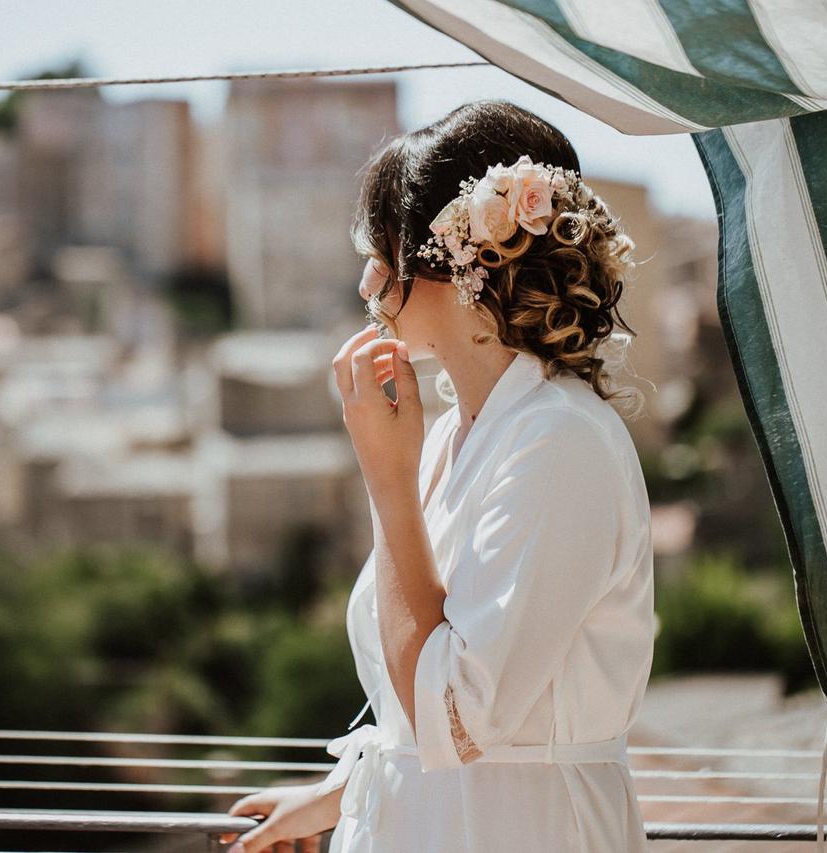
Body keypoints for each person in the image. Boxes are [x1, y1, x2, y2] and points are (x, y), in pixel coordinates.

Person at [219, 99, 655, 852]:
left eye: (384, 253)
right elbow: (422, 711)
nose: (366, 283)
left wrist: (386, 481)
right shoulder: (457, 435)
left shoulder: (559, 442)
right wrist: (345, 792)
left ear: (467, 262)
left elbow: (455, 713)